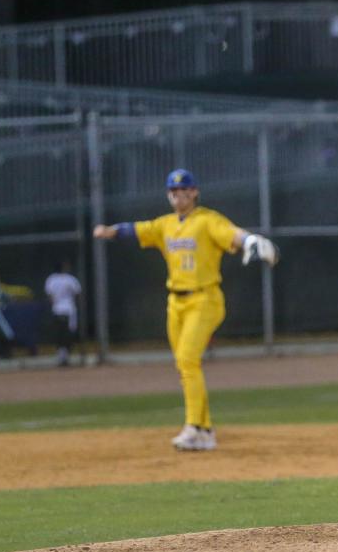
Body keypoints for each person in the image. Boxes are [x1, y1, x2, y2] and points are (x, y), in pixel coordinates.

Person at [93, 168, 279, 452]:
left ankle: (194, 427)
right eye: (174, 192)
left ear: (195, 192)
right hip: (175, 303)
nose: (179, 196)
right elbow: (137, 229)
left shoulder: (206, 220)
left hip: (205, 300)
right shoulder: (166, 225)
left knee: (187, 360)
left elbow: (233, 234)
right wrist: (110, 231)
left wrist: (251, 241)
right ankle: (205, 432)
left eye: (184, 191)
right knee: (184, 365)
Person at [44, 260, 82, 366]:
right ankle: (64, 357)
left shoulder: (50, 279)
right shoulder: (70, 279)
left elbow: (50, 296)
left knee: (59, 334)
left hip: (57, 310)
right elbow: (78, 294)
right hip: (69, 310)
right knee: (68, 334)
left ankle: (62, 357)